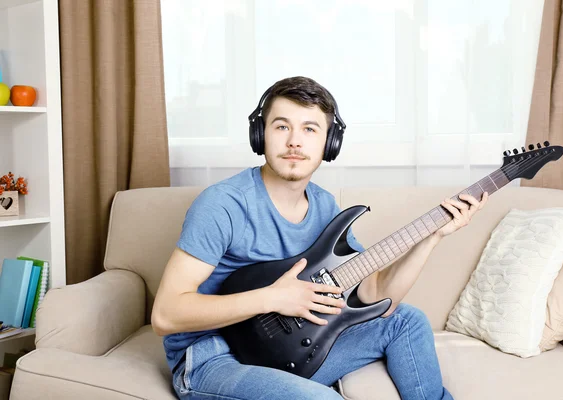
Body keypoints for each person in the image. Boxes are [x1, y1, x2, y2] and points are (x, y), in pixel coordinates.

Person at [152, 76, 488, 400]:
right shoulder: (223, 204)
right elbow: (166, 315)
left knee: (407, 320)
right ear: (260, 135)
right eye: (282, 126)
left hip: (288, 346)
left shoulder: (325, 205)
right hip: (214, 356)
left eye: (309, 129)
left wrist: (432, 237)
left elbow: (375, 295)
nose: (294, 141)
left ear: (329, 142)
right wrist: (272, 298)